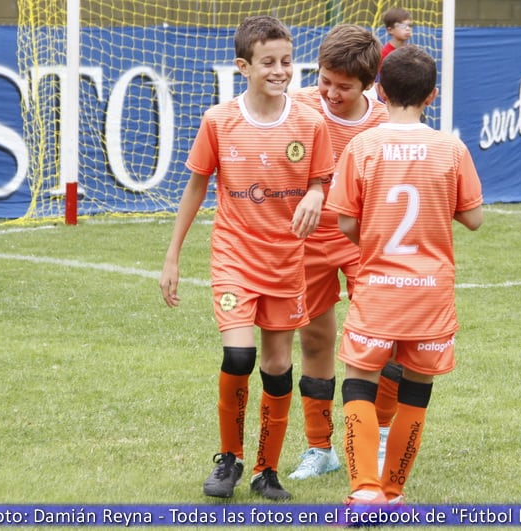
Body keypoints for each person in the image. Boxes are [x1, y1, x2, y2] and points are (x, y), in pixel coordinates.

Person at [159, 15, 334, 501]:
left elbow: (321, 178)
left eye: (286, 61)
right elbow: (196, 184)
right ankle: (229, 460)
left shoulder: (310, 122)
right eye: (268, 63)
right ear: (244, 66)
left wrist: (316, 193)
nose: (280, 71)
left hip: (286, 261)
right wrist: (172, 256)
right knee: (239, 356)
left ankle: (266, 470)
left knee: (278, 366)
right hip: (235, 256)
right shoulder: (219, 120)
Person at [326, 45, 484, 506]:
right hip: (430, 294)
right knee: (416, 388)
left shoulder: (362, 145)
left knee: (359, 382)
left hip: (378, 288)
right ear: (432, 96)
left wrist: (375, 240)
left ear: (378, 89)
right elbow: (473, 218)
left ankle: (364, 491)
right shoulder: (450, 148)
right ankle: (393, 491)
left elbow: (346, 222)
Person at [287, 24, 389, 481]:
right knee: (314, 339)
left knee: (379, 341)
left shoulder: (384, 125)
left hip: (364, 241)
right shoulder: (300, 106)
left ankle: (379, 436)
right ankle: (319, 448)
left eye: (342, 87)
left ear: (368, 85)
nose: (328, 92)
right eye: (324, 80)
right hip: (308, 239)